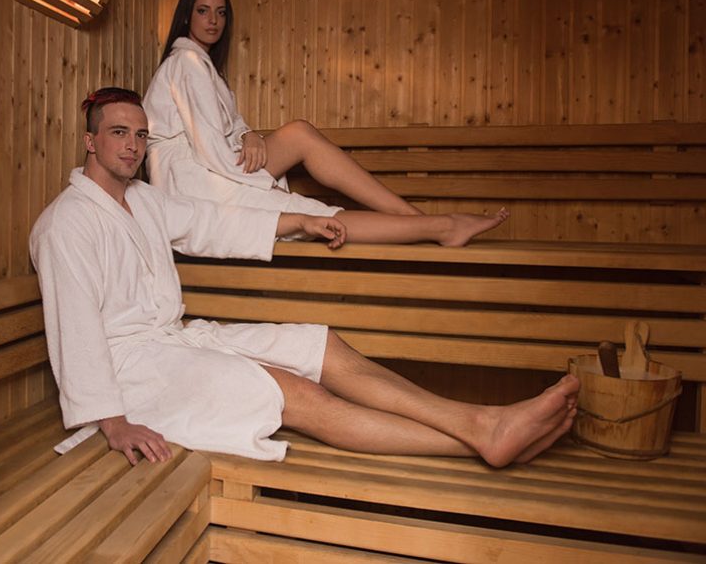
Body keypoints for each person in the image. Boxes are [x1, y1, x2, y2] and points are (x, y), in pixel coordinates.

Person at [30, 87, 578, 468]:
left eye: (141, 135)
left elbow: (214, 223)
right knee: (290, 391)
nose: (132, 145)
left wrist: (302, 220)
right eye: (119, 133)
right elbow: (75, 332)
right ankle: (480, 436)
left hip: (174, 342)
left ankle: (484, 426)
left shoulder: (146, 201)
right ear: (90, 141)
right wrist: (112, 422)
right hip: (130, 376)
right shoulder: (66, 224)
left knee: (319, 344)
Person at [143, 0, 509, 247]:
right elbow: (208, 146)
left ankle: (417, 219)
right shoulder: (187, 62)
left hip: (213, 162)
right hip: (192, 182)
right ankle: (438, 226)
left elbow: (229, 127)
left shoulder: (202, 65)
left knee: (299, 133)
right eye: (203, 11)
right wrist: (265, 186)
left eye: (221, 13)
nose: (213, 20)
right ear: (186, 17)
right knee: (303, 211)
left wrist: (248, 134)